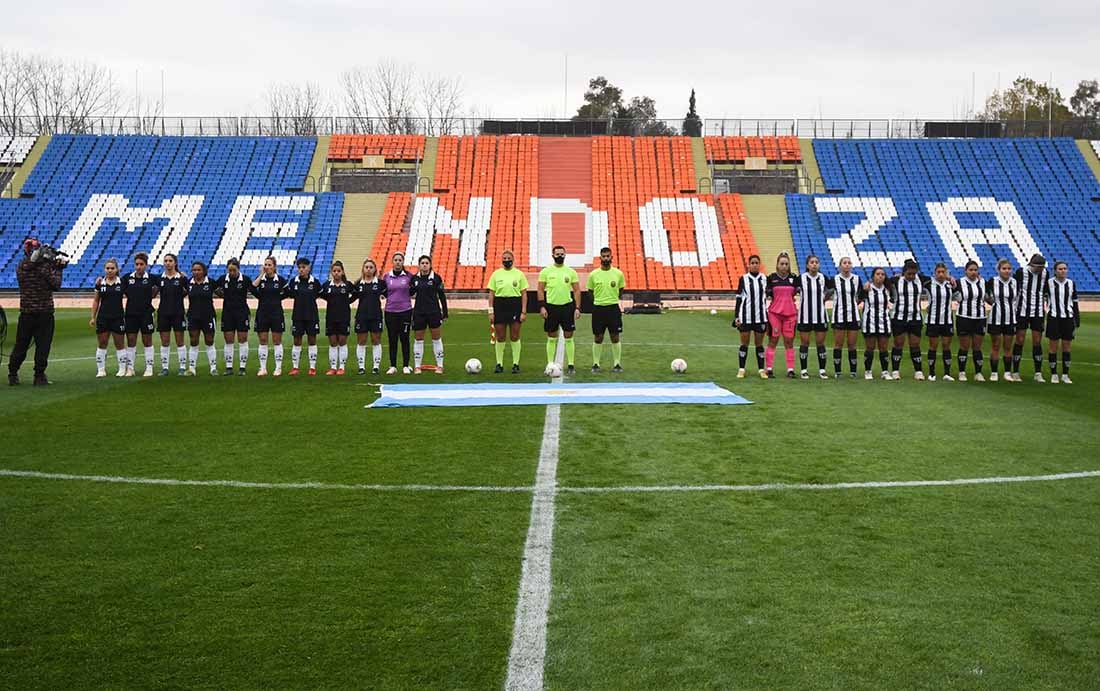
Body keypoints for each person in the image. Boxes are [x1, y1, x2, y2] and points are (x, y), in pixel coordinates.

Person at [538, 245, 581, 375]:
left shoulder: (571, 272)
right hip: (551, 307)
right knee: (551, 336)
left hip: (567, 307)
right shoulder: (546, 272)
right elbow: (540, 289)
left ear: (565, 255)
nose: (560, 256)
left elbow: (577, 290)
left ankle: (571, 365)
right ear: (553, 255)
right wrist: (542, 306)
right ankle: (550, 364)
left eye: (562, 254)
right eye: (557, 254)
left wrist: (577, 307)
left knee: (569, 336)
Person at [487, 249, 529, 374]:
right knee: (500, 337)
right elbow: (491, 294)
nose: (506, 260)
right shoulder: (496, 274)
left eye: (508, 258)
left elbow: (524, 294)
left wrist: (524, 311)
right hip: (500, 305)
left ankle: (515, 364)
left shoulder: (519, 274)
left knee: (515, 336)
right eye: (504, 258)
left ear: (513, 259)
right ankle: (499, 364)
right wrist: (491, 311)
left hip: (515, 305)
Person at [889, 259, 929, 381]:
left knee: (915, 344)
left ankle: (918, 371)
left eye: (913, 274)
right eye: (909, 274)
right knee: (898, 344)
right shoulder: (895, 281)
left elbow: (938, 280)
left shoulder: (921, 279)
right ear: (903, 272)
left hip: (915, 318)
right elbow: (879, 282)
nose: (911, 276)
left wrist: (949, 278)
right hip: (899, 318)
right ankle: (895, 371)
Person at [587, 247, 626, 373]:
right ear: (600, 258)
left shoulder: (618, 274)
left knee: (615, 336)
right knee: (598, 337)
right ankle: (596, 364)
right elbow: (590, 291)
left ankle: (617, 364)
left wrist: (612, 299)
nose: (606, 258)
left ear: (611, 257)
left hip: (613, 308)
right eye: (603, 256)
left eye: (608, 256)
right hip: (598, 309)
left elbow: (621, 290)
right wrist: (598, 301)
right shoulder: (593, 274)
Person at [1013, 253, 1049, 382]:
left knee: (1037, 341)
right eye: (1037, 267)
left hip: (1038, 311)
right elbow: (1014, 289)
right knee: (1020, 340)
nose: (1040, 270)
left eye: (1041, 267)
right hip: (1022, 310)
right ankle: (1015, 372)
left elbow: (1045, 291)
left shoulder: (1045, 273)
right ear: (1031, 265)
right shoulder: (1021, 272)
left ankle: (1038, 373)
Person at [121, 252, 158, 377]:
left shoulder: (152, 278)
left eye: (141, 264)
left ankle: (149, 367)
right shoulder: (127, 278)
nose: (138, 267)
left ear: (146, 265)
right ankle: (130, 368)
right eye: (137, 264)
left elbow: (165, 282)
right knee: (131, 340)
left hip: (146, 313)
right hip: (131, 313)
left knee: (147, 340)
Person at [409, 255, 448, 374]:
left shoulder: (436, 278)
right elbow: (410, 293)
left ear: (430, 265)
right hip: (419, 313)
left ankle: (440, 366)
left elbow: (442, 296)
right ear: (419, 265)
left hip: (434, 312)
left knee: (436, 339)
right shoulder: (415, 279)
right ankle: (417, 366)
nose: (424, 265)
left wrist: (445, 312)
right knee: (418, 339)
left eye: (426, 263)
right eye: (422, 263)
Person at [251, 256, 288, 376]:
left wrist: (276, 300)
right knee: (263, 340)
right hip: (262, 313)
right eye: (265, 265)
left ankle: (278, 368)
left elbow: (287, 292)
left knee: (277, 341)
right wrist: (261, 275)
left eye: (269, 265)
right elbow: (252, 288)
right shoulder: (261, 280)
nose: (267, 267)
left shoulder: (280, 280)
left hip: (276, 313)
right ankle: (262, 368)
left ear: (274, 267)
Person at [285, 256, 322, 376]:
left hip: (311, 315)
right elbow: (289, 294)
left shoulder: (315, 283)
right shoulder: (293, 282)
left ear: (309, 268)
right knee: (297, 340)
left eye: (303, 267)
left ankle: (312, 367)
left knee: (312, 340)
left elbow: (319, 295)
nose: (301, 270)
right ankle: (295, 367)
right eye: (299, 267)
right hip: (298, 316)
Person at [796, 254, 831, 379]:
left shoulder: (823, 278)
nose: (814, 264)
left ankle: (822, 370)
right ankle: (803, 370)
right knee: (805, 342)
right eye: (812, 262)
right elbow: (792, 290)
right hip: (805, 316)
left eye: (816, 262)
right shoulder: (801, 278)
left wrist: (825, 298)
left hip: (820, 316)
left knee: (820, 343)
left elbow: (831, 289)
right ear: (807, 265)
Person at [90, 258, 126, 378]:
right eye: (107, 268)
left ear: (117, 270)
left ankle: (122, 369)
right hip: (103, 317)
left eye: (112, 268)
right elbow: (96, 301)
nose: (110, 270)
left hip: (118, 317)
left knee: (119, 343)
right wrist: (93, 317)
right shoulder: (100, 283)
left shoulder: (122, 283)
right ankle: (101, 369)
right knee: (102, 343)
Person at [733, 254, 768, 379]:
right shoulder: (743, 279)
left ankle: (761, 370)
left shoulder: (764, 278)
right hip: (746, 316)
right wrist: (736, 316)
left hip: (760, 317)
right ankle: (741, 369)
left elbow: (768, 296)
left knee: (759, 344)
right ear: (748, 265)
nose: (754, 265)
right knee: (744, 344)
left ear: (759, 264)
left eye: (756, 263)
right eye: (752, 263)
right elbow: (738, 298)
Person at [216, 257, 251, 376]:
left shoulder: (245, 280)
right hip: (227, 313)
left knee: (242, 339)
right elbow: (214, 288)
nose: (231, 273)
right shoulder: (222, 279)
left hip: (242, 313)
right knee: (229, 340)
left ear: (238, 269)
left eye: (234, 270)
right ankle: (229, 367)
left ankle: (242, 367)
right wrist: (222, 295)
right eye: (229, 270)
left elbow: (254, 289)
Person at [320, 260, 357, 375]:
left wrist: (347, 302)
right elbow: (322, 295)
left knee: (342, 341)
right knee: (332, 342)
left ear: (342, 272)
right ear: (331, 272)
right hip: (331, 317)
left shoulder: (347, 285)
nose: (336, 273)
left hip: (344, 317)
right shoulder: (326, 285)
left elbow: (355, 295)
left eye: (338, 271)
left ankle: (341, 367)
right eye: (334, 271)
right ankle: (332, 367)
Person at [765, 252, 798, 378]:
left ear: (789, 265)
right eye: (782, 264)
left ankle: (790, 370)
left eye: (786, 264)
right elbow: (767, 293)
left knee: (789, 342)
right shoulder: (771, 278)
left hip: (790, 314)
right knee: (773, 340)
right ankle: (769, 369)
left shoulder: (794, 278)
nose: (784, 266)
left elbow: (797, 291)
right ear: (777, 265)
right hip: (775, 313)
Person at [1046, 260, 1078, 385]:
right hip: (1054, 318)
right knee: (1053, 347)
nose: (1063, 271)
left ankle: (1065, 374)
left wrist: (1077, 318)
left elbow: (1074, 301)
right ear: (1055, 271)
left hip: (1068, 319)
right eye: (1060, 269)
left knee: (1066, 347)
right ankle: (1054, 374)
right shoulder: (1048, 283)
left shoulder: (1071, 283)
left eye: (1064, 268)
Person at [156, 253, 189, 376]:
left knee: (180, 341)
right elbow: (153, 292)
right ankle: (165, 368)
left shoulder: (181, 278)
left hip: (178, 313)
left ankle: (182, 367)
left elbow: (189, 291)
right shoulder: (159, 278)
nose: (168, 263)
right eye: (166, 261)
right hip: (163, 313)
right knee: (164, 341)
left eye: (170, 260)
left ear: (175, 263)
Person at [986, 258, 1018, 382]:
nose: (1007, 271)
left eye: (1009, 269)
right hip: (996, 318)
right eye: (1004, 268)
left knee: (1008, 346)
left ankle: (1007, 372)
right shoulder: (992, 281)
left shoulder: (1014, 282)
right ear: (998, 270)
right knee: (995, 345)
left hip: (1010, 318)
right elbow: (985, 295)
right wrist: (990, 301)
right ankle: (994, 373)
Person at [955, 261, 987, 382]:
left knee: (977, 347)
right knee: (964, 346)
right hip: (964, 317)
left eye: (975, 270)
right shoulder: (959, 282)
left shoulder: (983, 282)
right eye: (971, 270)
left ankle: (978, 372)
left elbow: (988, 297)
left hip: (980, 318)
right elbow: (952, 293)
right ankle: (962, 372)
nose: (973, 272)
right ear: (966, 271)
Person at [382, 252, 414, 375]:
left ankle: (406, 365)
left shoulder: (408, 276)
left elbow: (413, 290)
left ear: (403, 262)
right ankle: (393, 366)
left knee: (405, 338)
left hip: (405, 311)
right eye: (396, 260)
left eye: (400, 260)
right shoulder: (387, 277)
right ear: (392, 261)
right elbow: (384, 292)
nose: (398, 262)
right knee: (392, 339)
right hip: (390, 312)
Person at [185, 261, 219, 376]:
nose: (196, 272)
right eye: (194, 270)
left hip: (208, 316)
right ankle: (192, 368)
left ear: (204, 271)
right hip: (193, 316)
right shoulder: (188, 283)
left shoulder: (211, 283)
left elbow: (223, 293)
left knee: (209, 341)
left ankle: (213, 368)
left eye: (199, 270)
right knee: (193, 341)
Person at [924, 263, 956, 382]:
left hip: (947, 320)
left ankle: (947, 373)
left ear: (946, 273)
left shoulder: (951, 285)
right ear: (935, 273)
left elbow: (959, 296)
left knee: (946, 346)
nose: (941, 274)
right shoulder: (928, 284)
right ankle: (931, 373)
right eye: (939, 272)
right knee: (933, 346)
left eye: (943, 272)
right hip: (933, 320)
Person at [354, 258, 386, 375]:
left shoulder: (380, 283)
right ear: (363, 269)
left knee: (376, 340)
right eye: (366, 267)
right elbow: (351, 298)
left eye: (371, 267)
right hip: (361, 316)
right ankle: (361, 367)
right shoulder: (358, 284)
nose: (368, 269)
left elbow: (390, 295)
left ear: (374, 270)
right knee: (361, 341)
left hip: (376, 315)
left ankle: (376, 366)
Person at [831, 256, 862, 378]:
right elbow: (826, 293)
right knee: (838, 344)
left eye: (849, 263)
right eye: (844, 263)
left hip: (853, 316)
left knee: (852, 344)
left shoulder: (856, 279)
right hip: (839, 316)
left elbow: (861, 294)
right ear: (840, 266)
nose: (847, 265)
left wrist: (856, 303)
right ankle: (837, 371)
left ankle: (853, 371)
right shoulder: (835, 280)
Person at [861, 267, 893, 380]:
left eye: (882, 274)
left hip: (884, 321)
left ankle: (884, 372)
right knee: (870, 348)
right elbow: (858, 300)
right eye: (878, 274)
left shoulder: (888, 289)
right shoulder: (867, 288)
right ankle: (868, 371)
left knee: (883, 348)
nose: (880, 276)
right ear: (873, 276)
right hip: (869, 322)